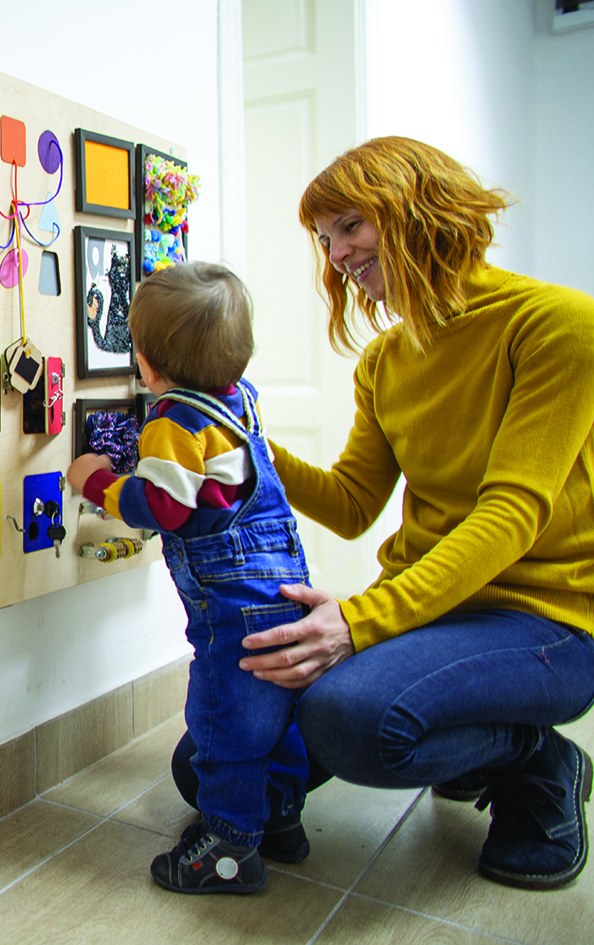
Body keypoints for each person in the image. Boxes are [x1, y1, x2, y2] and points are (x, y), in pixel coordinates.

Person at [170, 136, 594, 891]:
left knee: (351, 721)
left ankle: (539, 761)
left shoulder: (558, 325)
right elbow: (351, 502)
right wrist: (237, 436)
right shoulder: (384, 361)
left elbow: (511, 515)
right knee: (218, 749)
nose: (334, 255)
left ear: (413, 205)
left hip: (545, 624)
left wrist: (360, 621)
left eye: (347, 227)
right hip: (435, 614)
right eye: (324, 240)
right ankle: (471, 735)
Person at [67, 262, 311, 895]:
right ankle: (279, 820)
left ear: (147, 366)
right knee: (274, 714)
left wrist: (97, 481)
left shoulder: (174, 421)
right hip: (283, 587)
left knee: (223, 717)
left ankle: (230, 847)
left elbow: (167, 508)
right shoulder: (240, 400)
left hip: (234, 607)